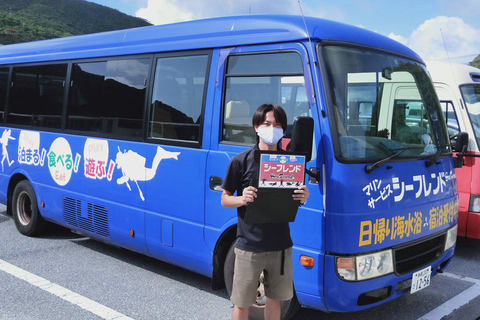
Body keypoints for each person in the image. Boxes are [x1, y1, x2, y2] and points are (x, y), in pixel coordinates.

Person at [221, 103, 310, 320]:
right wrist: (242, 198)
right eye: (267, 123)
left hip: (280, 245)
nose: (272, 128)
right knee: (242, 303)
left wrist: (304, 197)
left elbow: (293, 199)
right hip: (249, 246)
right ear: (256, 127)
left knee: (275, 300)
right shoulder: (240, 161)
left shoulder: (291, 163)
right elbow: (224, 199)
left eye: (277, 124)